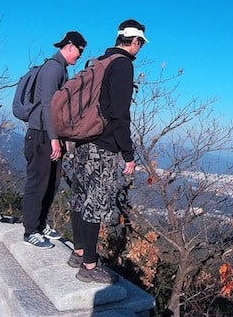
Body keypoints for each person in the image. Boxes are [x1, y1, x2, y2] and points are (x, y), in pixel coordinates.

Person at [68, 19, 148, 284]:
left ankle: (79, 252)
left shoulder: (100, 61)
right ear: (135, 42)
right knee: (96, 202)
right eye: (140, 44)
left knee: (80, 196)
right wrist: (127, 153)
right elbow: (119, 114)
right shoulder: (122, 66)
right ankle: (89, 266)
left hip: (83, 139)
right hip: (103, 145)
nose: (139, 49)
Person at [22, 31, 87, 249]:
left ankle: (41, 225)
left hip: (47, 134)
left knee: (51, 183)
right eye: (79, 50)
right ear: (70, 46)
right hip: (40, 134)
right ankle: (30, 230)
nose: (79, 56)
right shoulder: (53, 68)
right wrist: (53, 138)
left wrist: (62, 137)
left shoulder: (60, 69)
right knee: (37, 184)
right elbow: (49, 105)